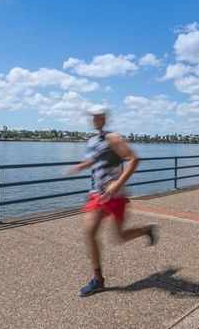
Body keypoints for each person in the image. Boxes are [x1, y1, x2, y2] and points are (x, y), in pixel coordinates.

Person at [66, 106, 156, 297]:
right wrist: (81, 166)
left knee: (120, 237)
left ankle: (146, 230)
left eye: (98, 117)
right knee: (89, 232)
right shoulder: (93, 140)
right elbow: (95, 160)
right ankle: (98, 279)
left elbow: (133, 159)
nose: (94, 120)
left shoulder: (114, 138)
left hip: (114, 195)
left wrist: (117, 184)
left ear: (104, 119)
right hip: (97, 195)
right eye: (92, 117)